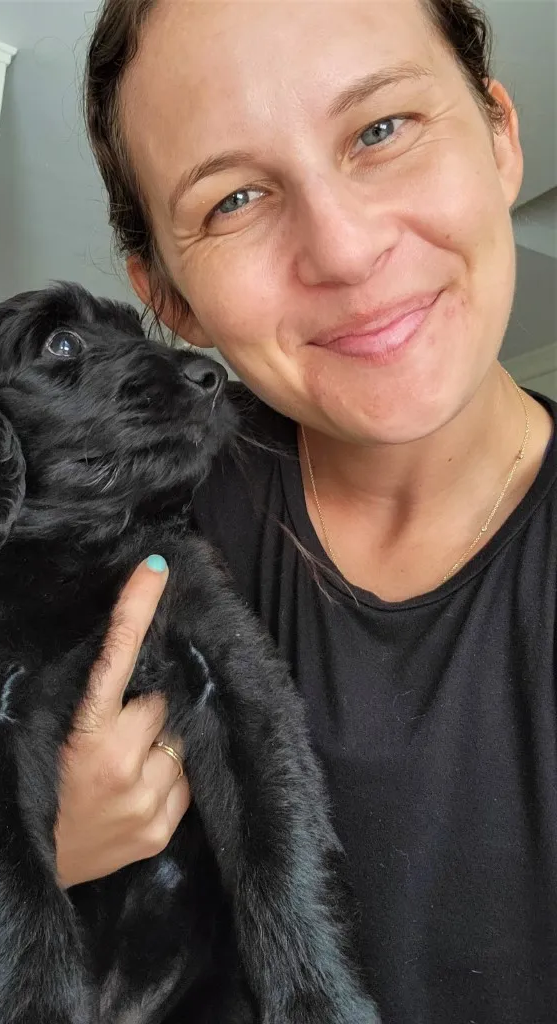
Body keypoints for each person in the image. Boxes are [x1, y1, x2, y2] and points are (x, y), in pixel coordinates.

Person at [55, 0, 557, 1020]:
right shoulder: (126, 520)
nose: (343, 249)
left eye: (381, 129)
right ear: (171, 298)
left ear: (501, 136)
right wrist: (39, 847)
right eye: (235, 198)